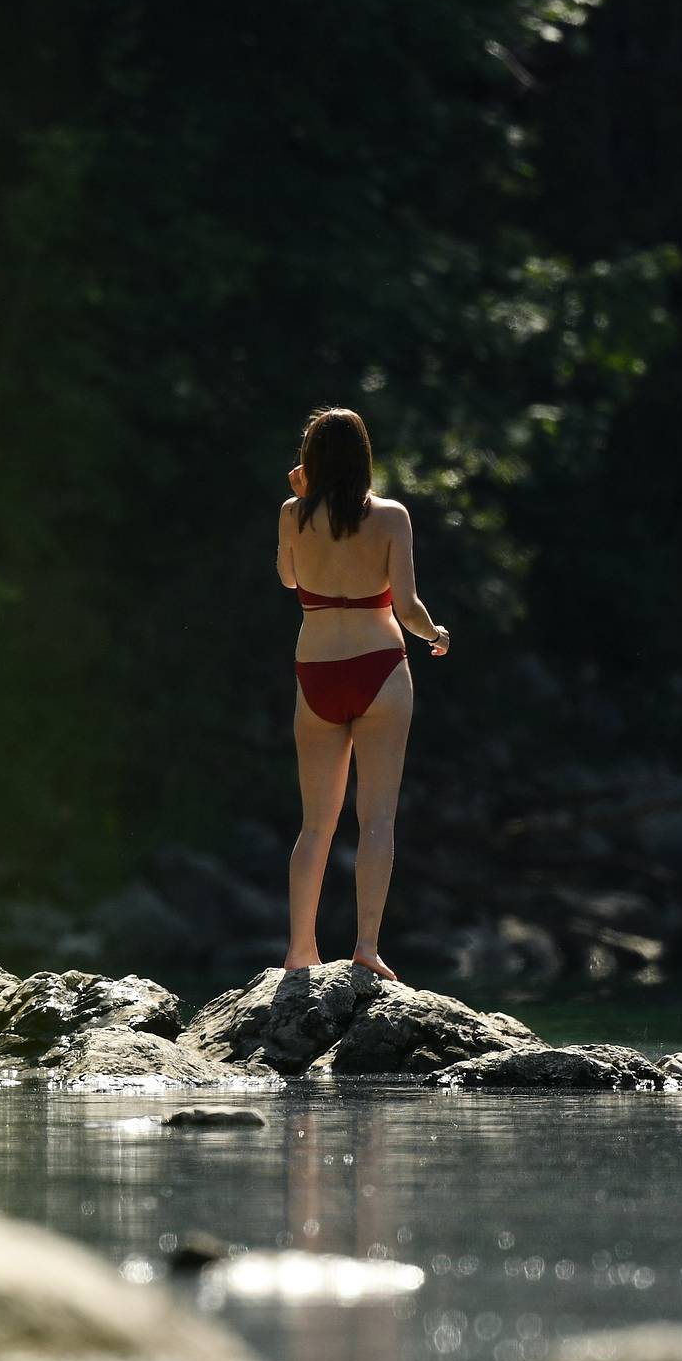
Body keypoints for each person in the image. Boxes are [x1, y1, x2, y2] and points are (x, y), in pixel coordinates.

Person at [276, 407, 450, 979]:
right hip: (380, 667)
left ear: (312, 460)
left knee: (315, 824)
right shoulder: (392, 517)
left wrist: (302, 500)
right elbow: (406, 605)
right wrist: (435, 634)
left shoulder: (291, 515)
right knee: (376, 818)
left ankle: (301, 951)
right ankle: (367, 947)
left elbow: (287, 579)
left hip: (317, 669)